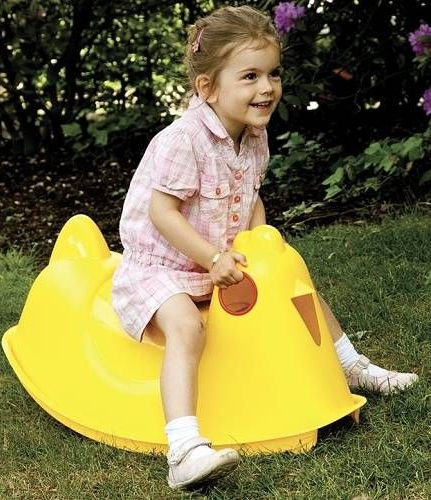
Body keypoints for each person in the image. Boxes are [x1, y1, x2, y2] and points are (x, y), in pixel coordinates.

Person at [112, 5, 418, 490]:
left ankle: (350, 366)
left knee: (296, 288)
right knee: (188, 328)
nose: (267, 87)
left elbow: (250, 195)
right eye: (250, 76)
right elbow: (163, 213)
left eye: (273, 73)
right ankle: (184, 447)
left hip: (220, 263)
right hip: (163, 268)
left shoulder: (254, 134)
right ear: (208, 88)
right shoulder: (182, 141)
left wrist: (260, 246)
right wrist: (212, 257)